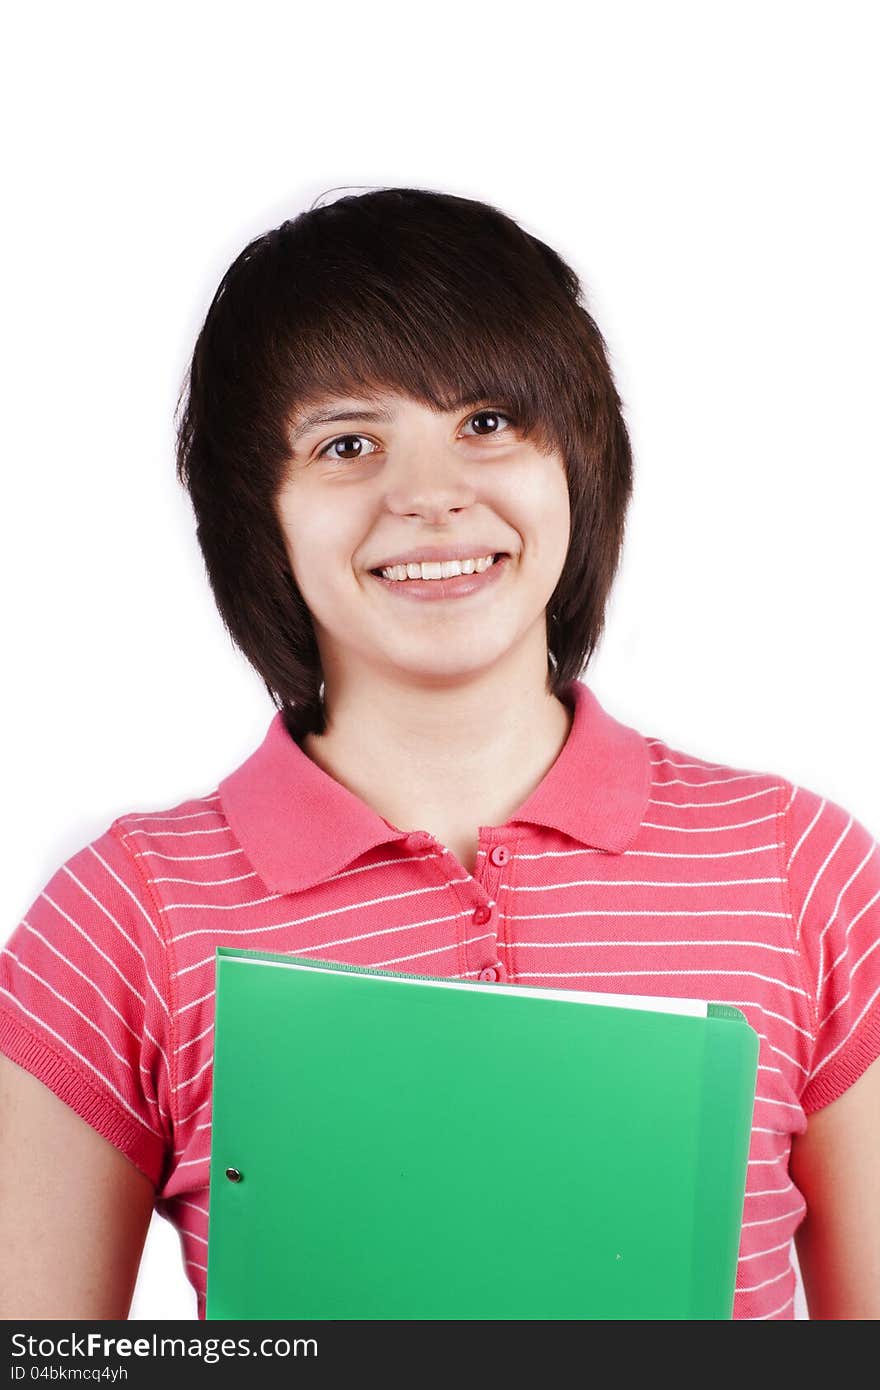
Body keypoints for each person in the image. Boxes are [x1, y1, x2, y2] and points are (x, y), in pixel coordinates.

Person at [1, 187, 878, 1322]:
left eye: (487, 423)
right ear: (253, 508)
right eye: (347, 443)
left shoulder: (796, 865)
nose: (427, 497)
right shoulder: (127, 911)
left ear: (578, 460)